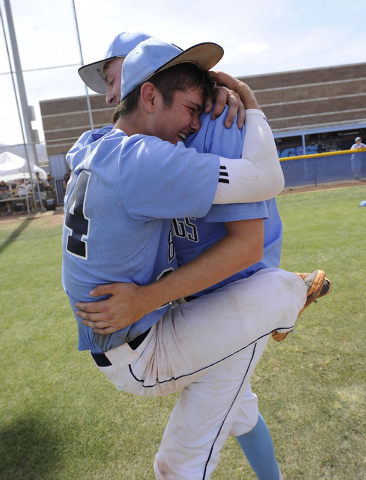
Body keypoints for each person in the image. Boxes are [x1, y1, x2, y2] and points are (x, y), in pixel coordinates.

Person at [62, 37, 325, 480]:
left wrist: (202, 98)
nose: (195, 119)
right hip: (143, 342)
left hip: (158, 322)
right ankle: (292, 298)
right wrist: (249, 102)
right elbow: (265, 178)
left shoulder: (93, 143)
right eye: (189, 106)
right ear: (148, 94)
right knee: (279, 288)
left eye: (114, 79)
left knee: (239, 409)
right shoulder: (144, 157)